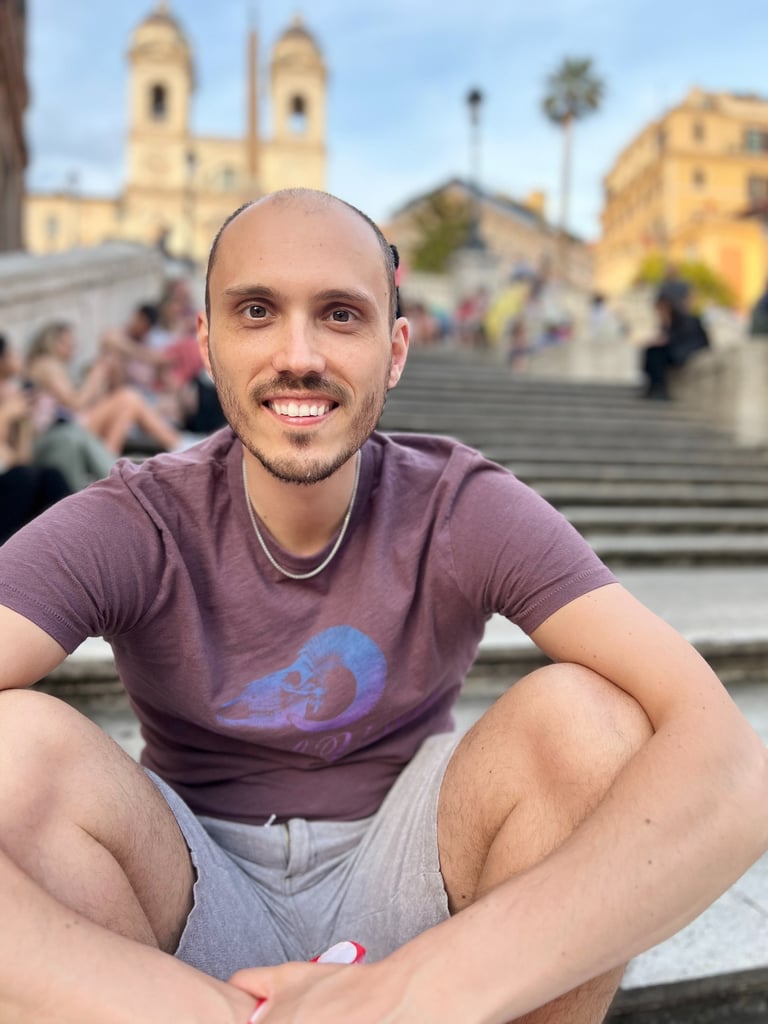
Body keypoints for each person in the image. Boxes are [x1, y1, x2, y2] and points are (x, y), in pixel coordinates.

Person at [0, 189, 765, 1024]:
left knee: (589, 722)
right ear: (207, 344)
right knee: (18, 752)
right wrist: (173, 1005)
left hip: (411, 870)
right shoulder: (136, 518)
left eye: (340, 315)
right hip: (189, 879)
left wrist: (422, 988)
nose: (298, 355)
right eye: (257, 311)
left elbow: (732, 765)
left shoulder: (458, 505)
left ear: (394, 349)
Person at [25, 320, 182, 454]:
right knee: (129, 398)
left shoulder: (53, 366)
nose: (72, 348)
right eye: (67, 343)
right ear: (53, 342)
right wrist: (97, 374)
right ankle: (175, 443)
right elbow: (75, 402)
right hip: (65, 429)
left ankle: (108, 461)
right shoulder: (46, 364)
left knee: (128, 403)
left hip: (72, 424)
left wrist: (102, 373)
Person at [0, 333, 71, 542]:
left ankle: (77, 537)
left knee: (51, 476)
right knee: (24, 477)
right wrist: (5, 416)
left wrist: (24, 426)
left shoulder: (11, 394)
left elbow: (20, 461)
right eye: (13, 354)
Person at [641, 296, 711, 400]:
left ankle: (659, 387)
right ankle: (654, 385)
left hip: (686, 350)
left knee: (657, 355)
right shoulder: (668, 322)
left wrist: (667, 340)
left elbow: (686, 338)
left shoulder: (686, 320)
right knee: (651, 351)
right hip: (675, 349)